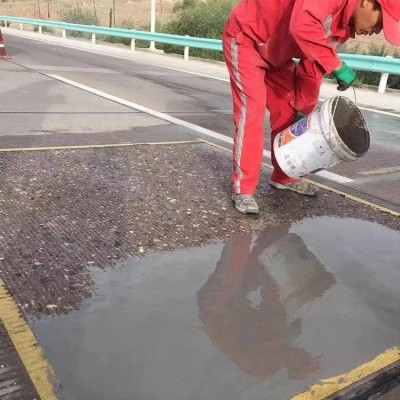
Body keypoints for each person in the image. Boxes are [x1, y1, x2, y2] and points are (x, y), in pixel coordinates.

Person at [223, 0, 400, 214]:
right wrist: (336, 65)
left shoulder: (343, 28)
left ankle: (286, 177)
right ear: (366, 3)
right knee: (252, 112)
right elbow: (302, 26)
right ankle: (243, 189)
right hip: (247, 40)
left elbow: (313, 64)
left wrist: (303, 108)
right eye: (380, 23)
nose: (376, 31)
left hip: (278, 58)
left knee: (288, 112)